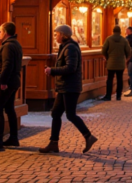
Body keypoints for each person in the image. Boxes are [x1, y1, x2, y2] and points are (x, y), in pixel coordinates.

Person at [40, 25, 98, 154]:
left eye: (57, 34)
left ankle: (89, 136)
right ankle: (53, 143)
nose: (55, 37)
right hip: (64, 87)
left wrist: (52, 70)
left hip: (70, 87)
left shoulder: (70, 48)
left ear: (63, 35)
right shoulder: (66, 46)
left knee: (70, 115)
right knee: (56, 113)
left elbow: (70, 68)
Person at [0, 22, 24, 152]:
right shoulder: (16, 44)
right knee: (9, 109)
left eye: (0, 31)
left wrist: (2, 82)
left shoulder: (7, 46)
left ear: (6, 32)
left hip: (7, 83)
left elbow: (7, 65)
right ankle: (13, 138)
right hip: (14, 81)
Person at [100, 26, 131, 101]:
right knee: (119, 79)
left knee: (110, 79)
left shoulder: (109, 39)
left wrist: (108, 57)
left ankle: (108, 96)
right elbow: (128, 51)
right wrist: (125, 58)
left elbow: (103, 50)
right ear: (120, 31)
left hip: (111, 63)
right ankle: (118, 96)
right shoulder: (124, 40)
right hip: (120, 63)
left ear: (113, 31)